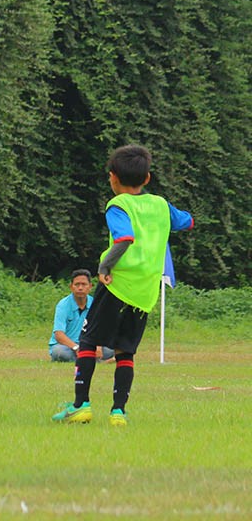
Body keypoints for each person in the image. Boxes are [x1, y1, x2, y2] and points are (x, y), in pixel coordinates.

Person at [52, 145, 193, 426]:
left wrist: (104, 267)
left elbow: (124, 238)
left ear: (113, 177)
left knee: (89, 342)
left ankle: (81, 405)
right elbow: (186, 222)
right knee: (125, 350)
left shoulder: (118, 206)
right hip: (145, 292)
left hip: (117, 285)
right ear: (147, 178)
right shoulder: (161, 205)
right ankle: (118, 412)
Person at [48, 269, 114, 363]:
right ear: (71, 287)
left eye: (84, 284)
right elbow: (59, 335)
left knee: (112, 348)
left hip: (89, 345)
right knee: (59, 352)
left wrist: (98, 347)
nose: (80, 288)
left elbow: (99, 329)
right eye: (77, 284)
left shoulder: (95, 304)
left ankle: (87, 358)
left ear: (90, 286)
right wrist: (76, 347)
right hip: (68, 347)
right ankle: (97, 361)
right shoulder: (63, 305)